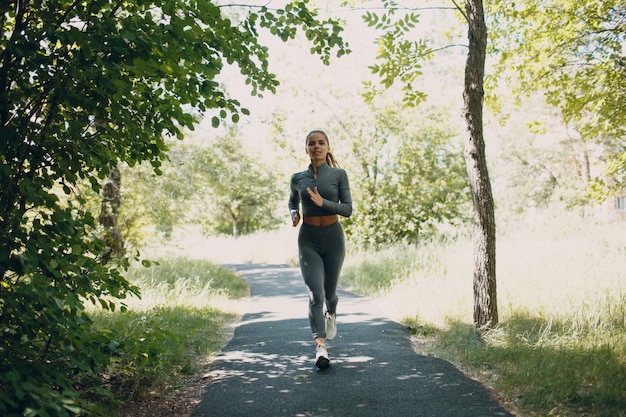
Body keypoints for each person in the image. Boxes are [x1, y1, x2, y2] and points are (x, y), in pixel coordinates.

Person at [288, 130, 353, 369]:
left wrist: (321, 203)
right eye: (311, 143)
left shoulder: (338, 174)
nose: (316, 147)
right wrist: (294, 214)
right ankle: (321, 348)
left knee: (329, 292)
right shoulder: (297, 178)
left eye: (321, 143)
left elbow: (347, 209)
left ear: (327, 147)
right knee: (315, 294)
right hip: (308, 239)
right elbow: (292, 201)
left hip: (333, 238)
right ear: (306, 148)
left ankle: (331, 314)